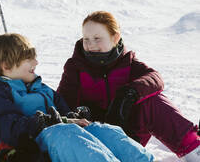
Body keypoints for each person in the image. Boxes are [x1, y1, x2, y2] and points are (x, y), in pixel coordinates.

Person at [0, 33, 154, 162]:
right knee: (67, 133)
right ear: (7, 66)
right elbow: (6, 126)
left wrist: (73, 117)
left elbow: (63, 111)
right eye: (29, 59)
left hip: (57, 136)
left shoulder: (42, 88)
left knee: (103, 130)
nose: (36, 63)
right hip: (26, 146)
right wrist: (44, 122)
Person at [57, 11, 200, 162]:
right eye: (86, 39)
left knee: (152, 100)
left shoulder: (128, 62)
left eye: (97, 38)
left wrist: (129, 93)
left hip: (128, 136)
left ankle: (193, 149)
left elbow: (155, 78)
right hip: (95, 139)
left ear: (115, 38)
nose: (90, 44)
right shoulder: (76, 66)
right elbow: (62, 102)